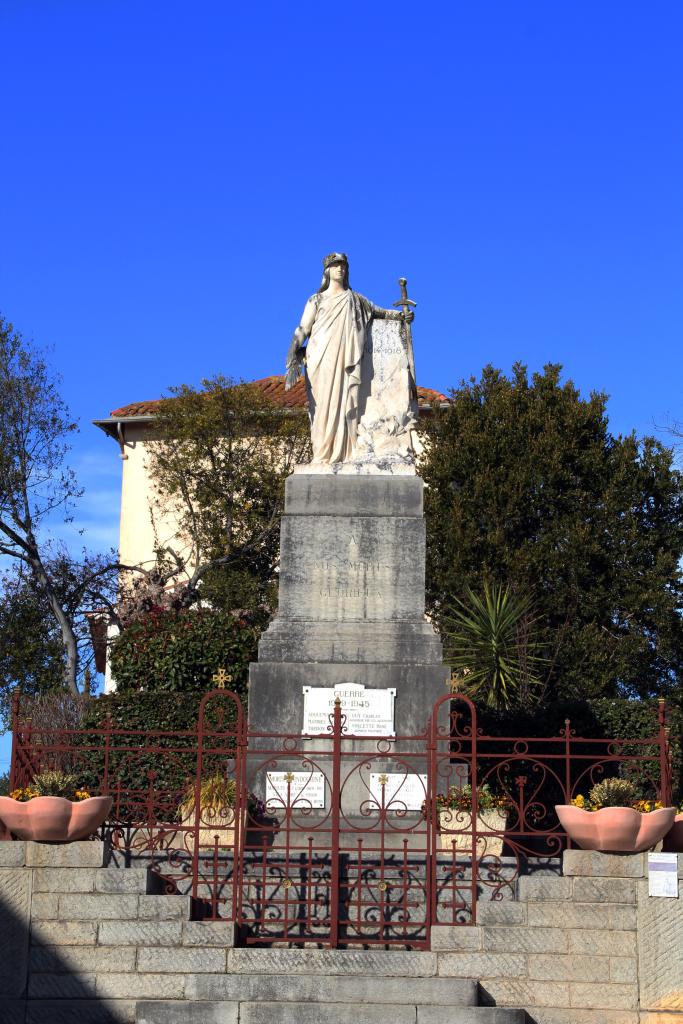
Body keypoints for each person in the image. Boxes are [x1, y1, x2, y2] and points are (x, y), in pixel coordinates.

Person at [285, 253, 414, 465]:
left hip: (346, 358)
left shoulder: (356, 300)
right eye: (335, 266)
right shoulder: (316, 300)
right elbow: (302, 329)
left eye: (343, 266)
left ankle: (345, 453)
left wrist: (400, 316)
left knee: (345, 402)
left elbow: (378, 311)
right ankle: (322, 454)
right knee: (323, 407)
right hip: (321, 358)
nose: (340, 269)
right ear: (327, 271)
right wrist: (292, 355)